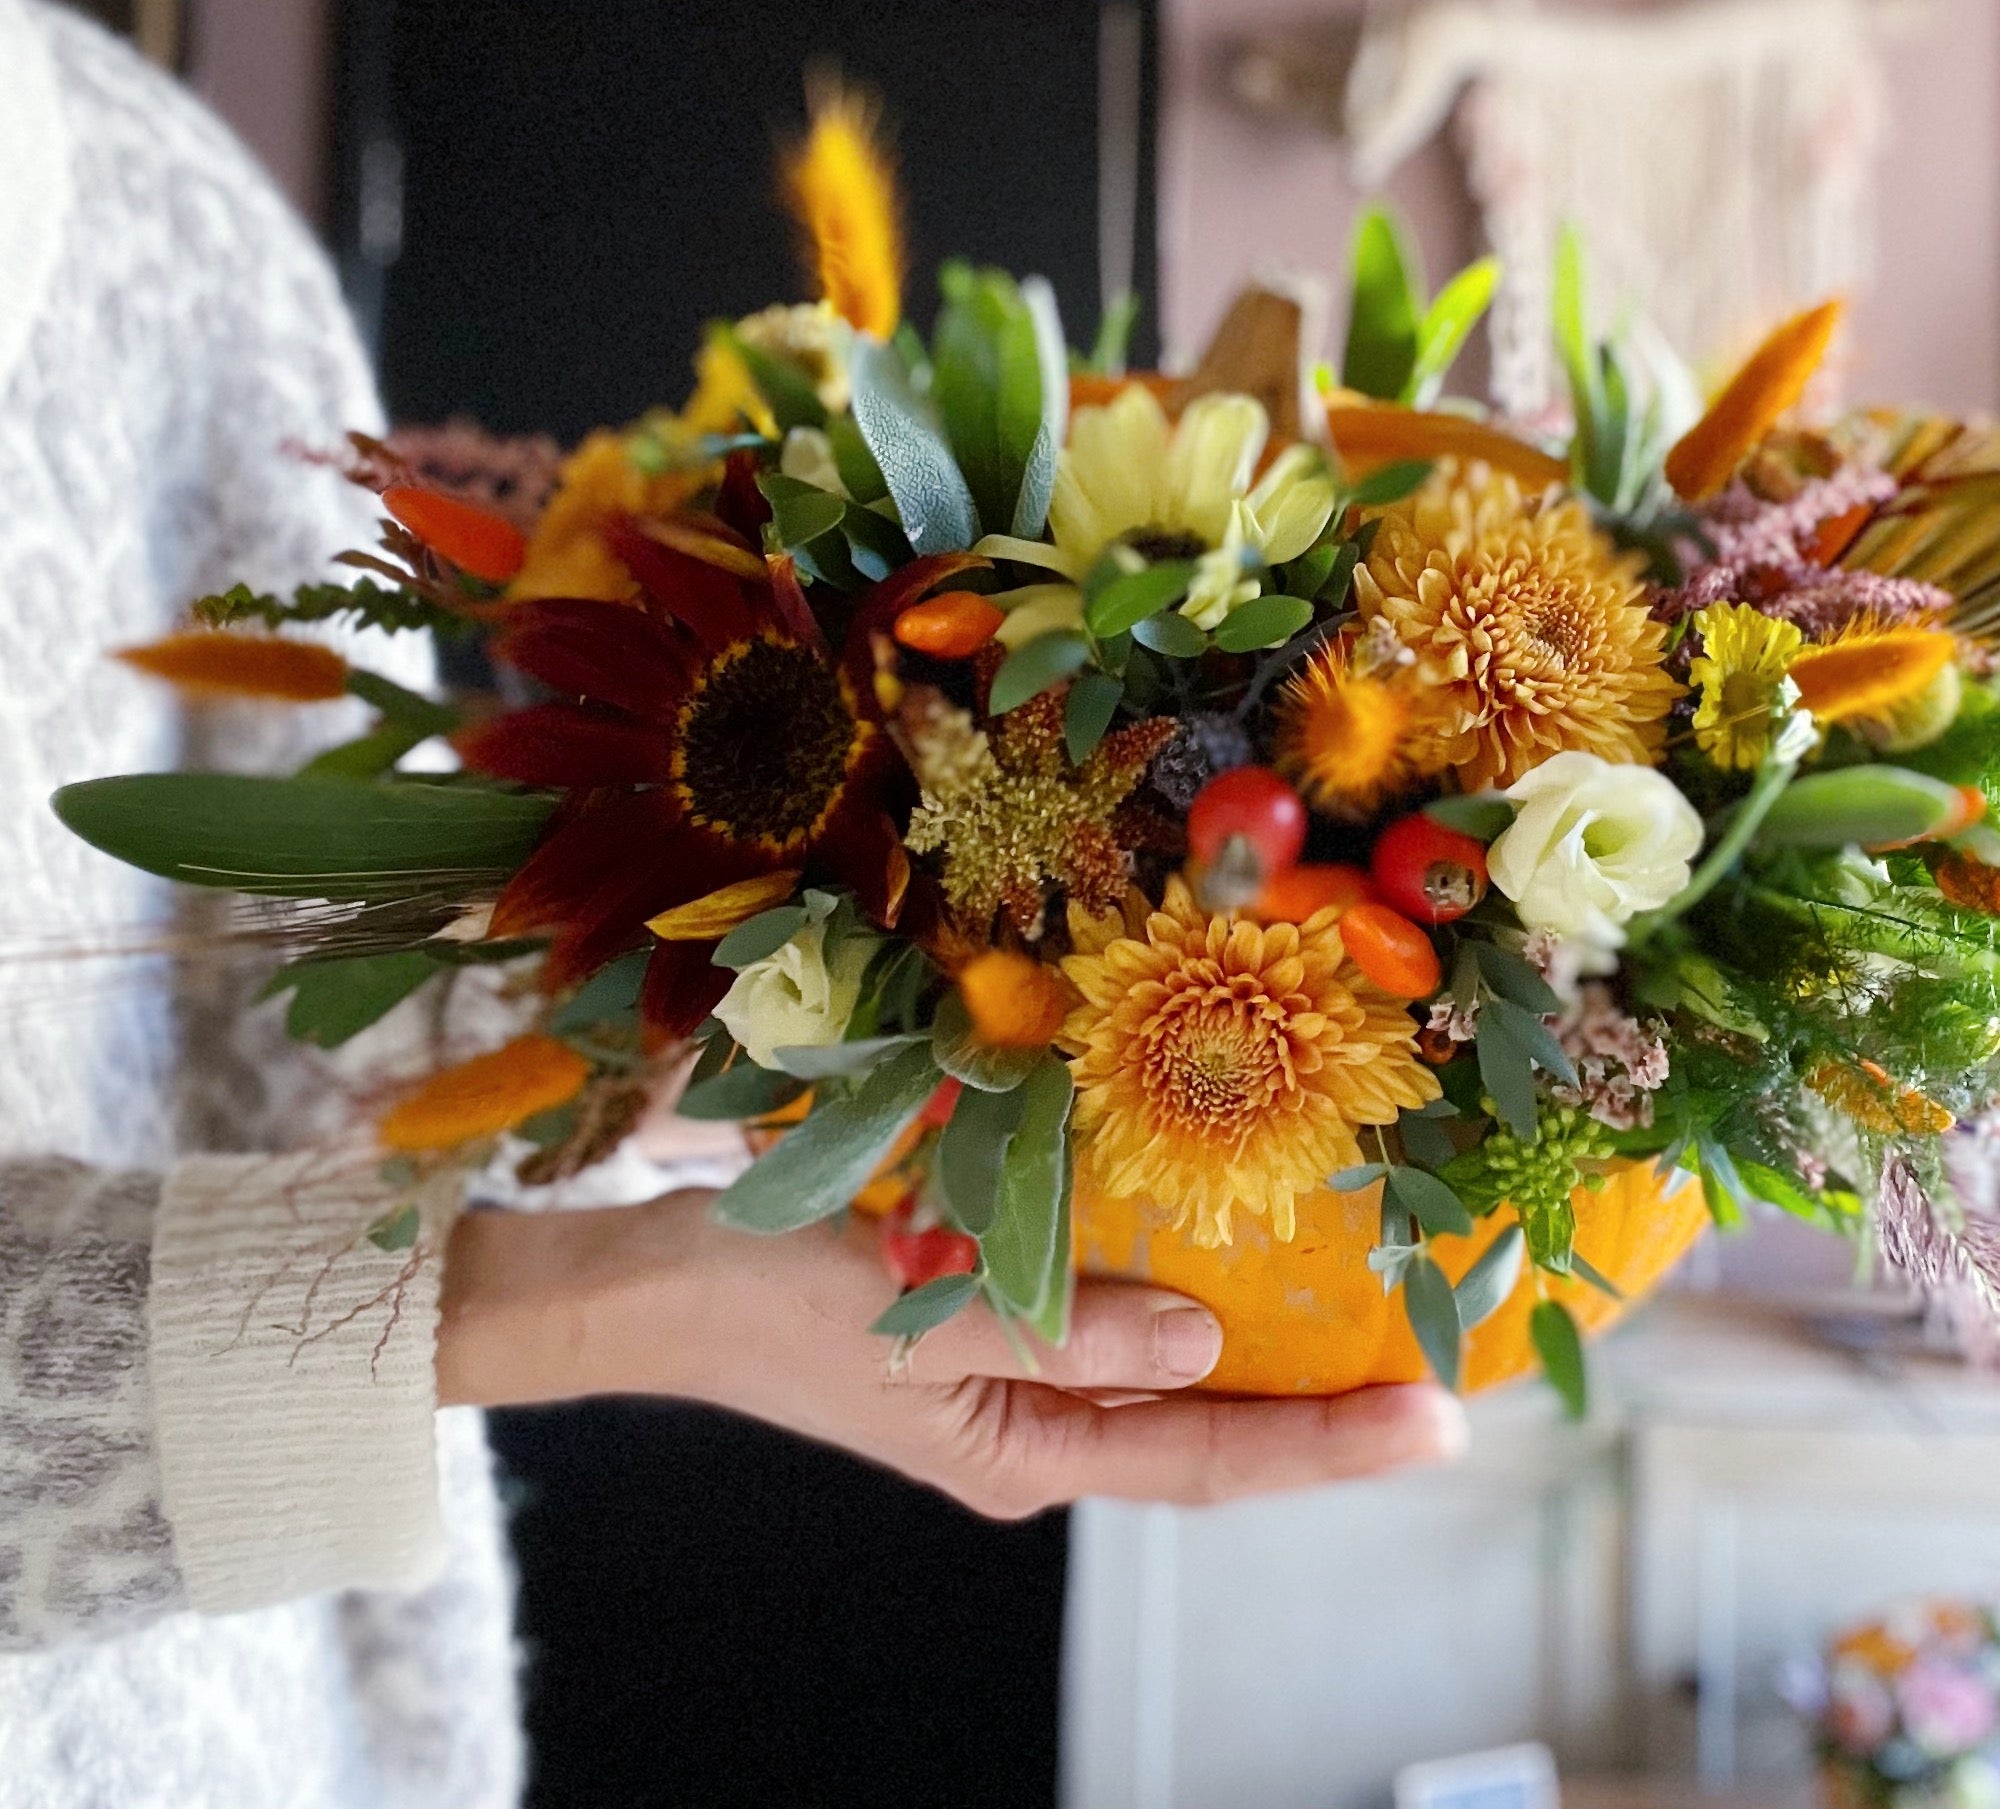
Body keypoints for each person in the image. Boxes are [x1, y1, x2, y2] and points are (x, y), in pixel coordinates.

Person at [0, 7, 1463, 1804]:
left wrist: (714, 1003)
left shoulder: (153, 196)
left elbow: (283, 1020)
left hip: (300, 1710)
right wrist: (610, 1294)